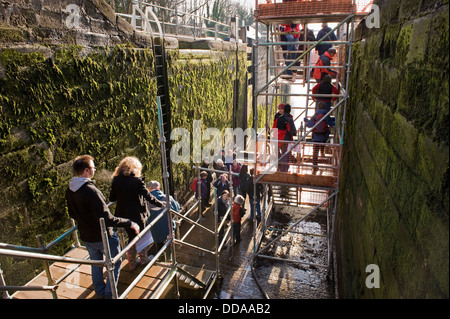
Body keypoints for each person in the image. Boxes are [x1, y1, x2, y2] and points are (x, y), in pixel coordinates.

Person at [66, 155, 140, 299]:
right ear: (87, 170)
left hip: (86, 236)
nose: (95, 170)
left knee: (97, 264)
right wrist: (130, 223)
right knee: (115, 261)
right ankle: (109, 294)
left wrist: (87, 220)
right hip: (103, 236)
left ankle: (100, 292)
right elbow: (107, 219)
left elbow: (72, 213)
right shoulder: (91, 191)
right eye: (93, 167)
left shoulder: (70, 189)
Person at [109, 156, 165, 270]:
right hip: (137, 215)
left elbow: (112, 198)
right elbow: (147, 196)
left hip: (122, 215)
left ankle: (132, 262)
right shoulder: (137, 181)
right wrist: (161, 204)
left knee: (131, 238)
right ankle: (144, 259)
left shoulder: (116, 180)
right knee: (142, 237)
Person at [146, 181, 180, 258]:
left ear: (149, 189)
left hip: (155, 229)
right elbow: (176, 209)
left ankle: (160, 258)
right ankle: (169, 258)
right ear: (159, 188)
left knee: (159, 245)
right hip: (168, 228)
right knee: (169, 243)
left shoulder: (146, 200)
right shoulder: (167, 197)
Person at [304, 102, 336, 172]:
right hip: (324, 136)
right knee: (322, 144)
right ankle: (322, 153)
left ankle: (315, 165)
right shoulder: (326, 115)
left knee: (315, 151)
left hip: (316, 136)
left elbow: (309, 125)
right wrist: (335, 121)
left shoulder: (315, 115)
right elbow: (331, 124)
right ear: (324, 108)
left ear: (317, 108)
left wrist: (306, 120)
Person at [275, 104, 297, 172]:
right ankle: (284, 170)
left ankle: (279, 167)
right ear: (290, 110)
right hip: (285, 139)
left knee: (280, 154)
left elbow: (275, 127)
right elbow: (292, 132)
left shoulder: (279, 118)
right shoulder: (289, 120)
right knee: (286, 155)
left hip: (279, 138)